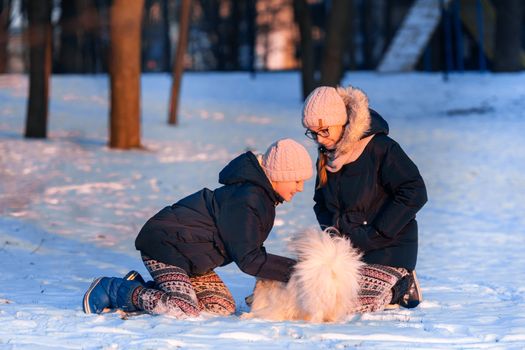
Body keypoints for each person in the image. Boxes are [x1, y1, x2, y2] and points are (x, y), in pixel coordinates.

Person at [83, 138, 313, 317]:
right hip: (165, 247)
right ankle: (111, 289)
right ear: (280, 175)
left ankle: (141, 288)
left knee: (220, 307)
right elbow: (249, 259)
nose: (300, 188)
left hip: (191, 260)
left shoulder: (260, 199)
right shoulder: (247, 199)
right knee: (184, 309)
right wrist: (300, 271)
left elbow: (250, 251)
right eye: (297, 180)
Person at [301, 86, 428, 313]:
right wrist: (334, 231)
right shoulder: (327, 153)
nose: (320, 139)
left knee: (353, 304)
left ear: (341, 122)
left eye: (324, 130)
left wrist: (377, 232)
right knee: (320, 295)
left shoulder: (381, 148)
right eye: (313, 133)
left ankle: (403, 284)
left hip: (389, 247)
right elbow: (320, 202)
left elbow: (414, 190)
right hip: (348, 251)